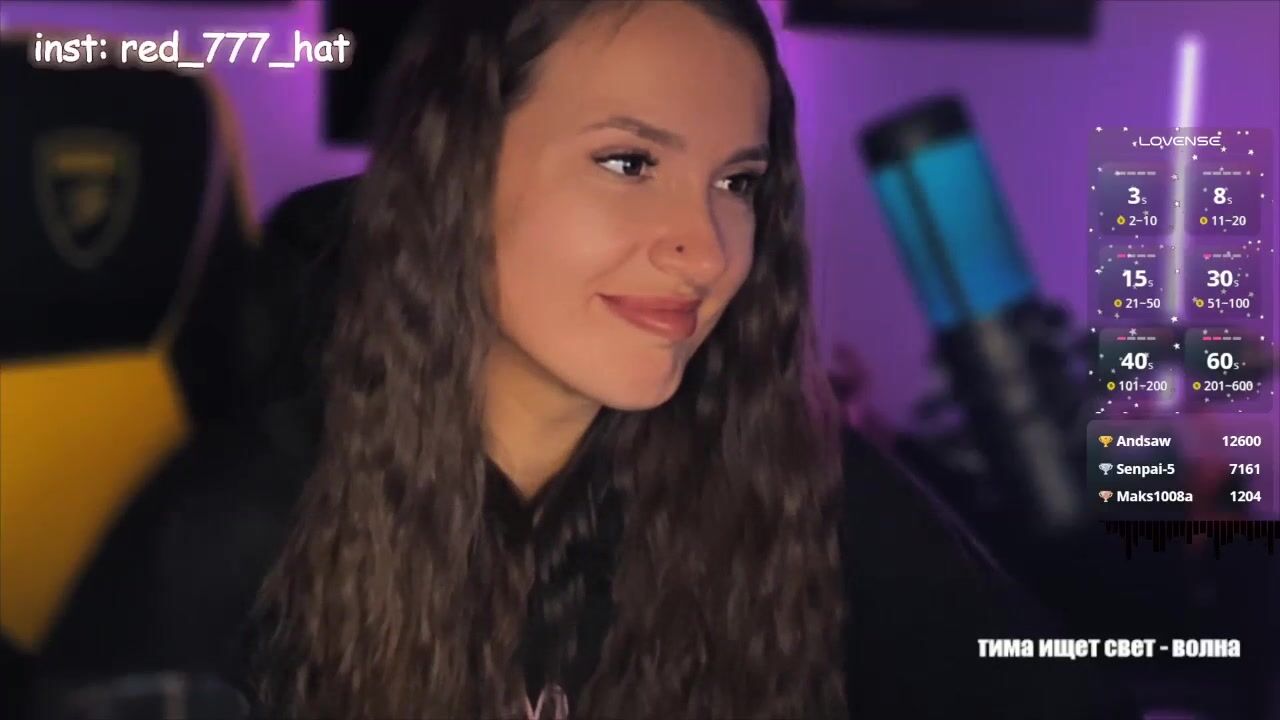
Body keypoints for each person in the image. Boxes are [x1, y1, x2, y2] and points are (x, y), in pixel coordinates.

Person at [232, 2, 1125, 718]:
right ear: (454, 174)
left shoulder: (784, 481)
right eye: (629, 163)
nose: (705, 248)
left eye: (737, 184)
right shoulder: (243, 532)